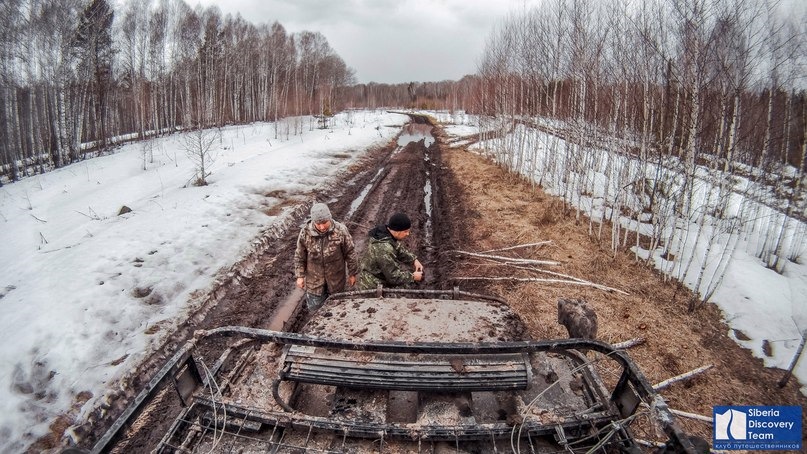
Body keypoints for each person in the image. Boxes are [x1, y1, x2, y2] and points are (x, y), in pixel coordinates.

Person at [294, 202, 358, 310]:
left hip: (336, 280)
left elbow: (350, 252)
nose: (322, 227)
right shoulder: (305, 233)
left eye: (324, 222)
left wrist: (352, 273)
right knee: (315, 311)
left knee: (337, 309)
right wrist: (300, 276)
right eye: (318, 224)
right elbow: (300, 255)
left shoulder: (340, 230)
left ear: (330, 218)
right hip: (314, 282)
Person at [357, 212, 424, 290]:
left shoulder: (385, 234)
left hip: (379, 275)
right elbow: (393, 277)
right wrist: (413, 277)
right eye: (405, 231)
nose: (408, 234)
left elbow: (398, 249)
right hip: (372, 285)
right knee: (403, 289)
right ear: (397, 231)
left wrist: (413, 260)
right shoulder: (384, 249)